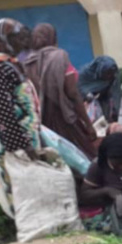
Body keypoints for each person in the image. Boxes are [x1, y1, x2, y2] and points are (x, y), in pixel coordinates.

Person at [0, 18, 42, 218]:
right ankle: (20, 219)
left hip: (25, 133)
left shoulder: (10, 64)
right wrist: (22, 145)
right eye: (17, 38)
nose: (22, 43)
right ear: (3, 39)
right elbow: (3, 110)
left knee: (28, 178)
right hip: (15, 139)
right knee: (16, 179)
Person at [24, 23, 97, 159]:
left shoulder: (27, 63)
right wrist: (88, 124)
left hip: (43, 121)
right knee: (83, 156)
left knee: (55, 157)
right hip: (65, 118)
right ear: (53, 38)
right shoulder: (59, 56)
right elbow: (73, 93)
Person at [78, 56, 122, 124]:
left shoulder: (114, 76)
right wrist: (87, 95)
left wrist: (114, 112)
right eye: (107, 73)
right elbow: (79, 88)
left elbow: (115, 95)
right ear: (100, 70)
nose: (109, 76)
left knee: (106, 121)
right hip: (85, 103)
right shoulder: (85, 74)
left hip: (104, 98)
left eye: (111, 73)